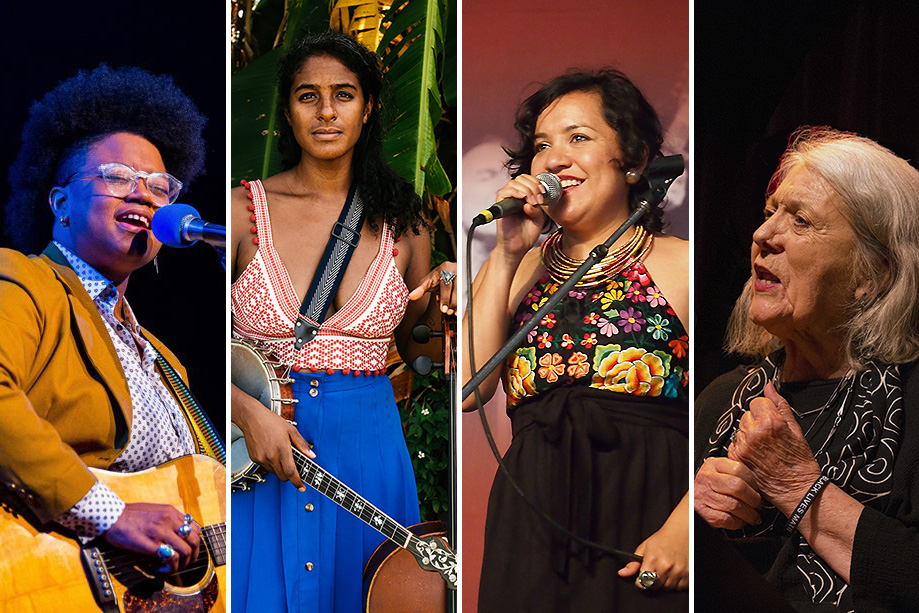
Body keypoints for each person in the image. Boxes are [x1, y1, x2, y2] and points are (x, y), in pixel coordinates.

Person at [230, 31, 456, 612]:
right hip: (256, 455)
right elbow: (178, 356)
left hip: (368, 452)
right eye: (309, 96)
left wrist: (440, 297)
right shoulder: (239, 212)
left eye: (344, 95)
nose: (327, 112)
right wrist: (246, 412)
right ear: (287, 110)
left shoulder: (405, 225)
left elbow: (421, 350)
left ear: (368, 108)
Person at [464, 70, 690, 611]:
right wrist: (508, 252)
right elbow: (470, 391)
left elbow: (738, 406)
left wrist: (685, 526)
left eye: (578, 138)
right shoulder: (517, 269)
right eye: (542, 145)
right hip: (533, 519)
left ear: (634, 161)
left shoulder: (680, 263)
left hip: (644, 515)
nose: (554, 159)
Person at [695, 127, 919, 612]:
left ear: (870, 275)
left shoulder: (913, 398)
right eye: (770, 212)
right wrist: (691, 516)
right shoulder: (720, 399)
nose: (762, 236)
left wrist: (798, 486)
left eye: (800, 220)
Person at [0, 65, 213, 573]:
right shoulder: (25, 281)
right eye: (117, 177)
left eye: (160, 186)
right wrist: (110, 514)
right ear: (61, 204)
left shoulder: (166, 363)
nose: (143, 194)